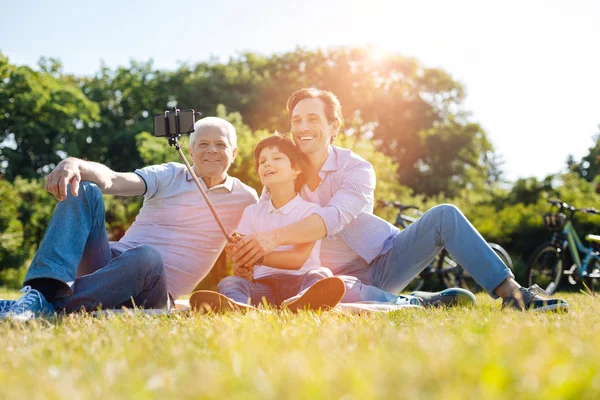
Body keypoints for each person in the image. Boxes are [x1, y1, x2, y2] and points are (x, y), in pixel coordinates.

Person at [230, 88, 569, 312]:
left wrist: (269, 239)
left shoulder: (356, 169)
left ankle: (513, 294)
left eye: (313, 119)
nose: (303, 127)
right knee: (327, 287)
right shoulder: (284, 175)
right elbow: (269, 219)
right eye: (296, 121)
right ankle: (423, 302)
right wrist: (251, 254)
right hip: (327, 278)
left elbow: (333, 218)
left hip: (385, 261)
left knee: (444, 215)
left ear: (334, 126)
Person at [0, 117, 258, 321]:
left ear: (233, 152)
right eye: (203, 144)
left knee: (147, 256)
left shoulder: (246, 199)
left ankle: (45, 306)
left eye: (220, 144)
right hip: (110, 267)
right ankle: (40, 293)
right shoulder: (169, 175)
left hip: (153, 287)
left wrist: (246, 268)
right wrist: (74, 164)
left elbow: (253, 253)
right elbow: (112, 179)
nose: (211, 150)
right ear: (190, 151)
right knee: (87, 189)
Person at [190, 134, 346, 312]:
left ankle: (300, 303)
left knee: (322, 274)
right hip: (263, 288)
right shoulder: (252, 212)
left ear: (296, 169)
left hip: (300, 283)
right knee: (230, 282)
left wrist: (255, 256)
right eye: (262, 162)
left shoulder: (310, 212)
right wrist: (242, 267)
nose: (267, 164)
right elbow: (241, 268)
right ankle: (240, 308)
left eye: (277, 158)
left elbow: (297, 260)